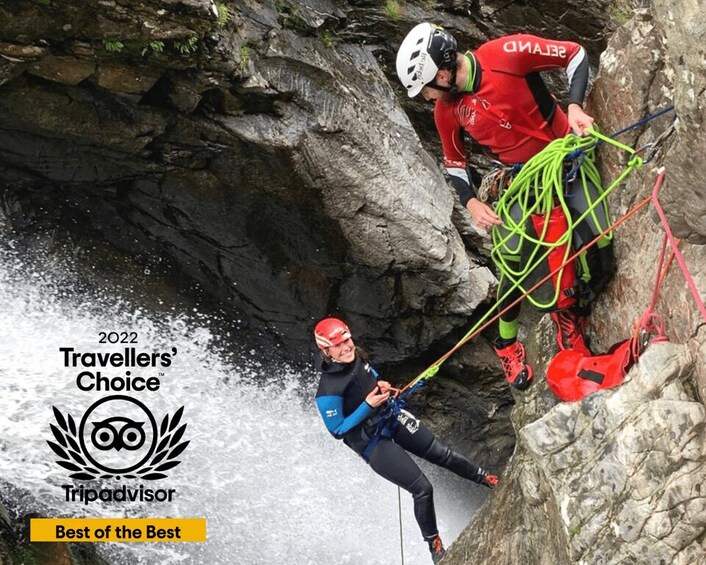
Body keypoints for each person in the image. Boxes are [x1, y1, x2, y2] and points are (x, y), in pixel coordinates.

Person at [395, 23, 614, 390]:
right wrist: (471, 202)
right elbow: (454, 162)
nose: (427, 98)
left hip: (564, 159)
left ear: (443, 73)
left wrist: (574, 106)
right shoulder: (447, 112)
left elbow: (574, 53)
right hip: (522, 183)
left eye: (427, 88)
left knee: (598, 243)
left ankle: (573, 308)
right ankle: (506, 342)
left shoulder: (506, 54)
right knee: (515, 263)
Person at [313, 317, 497, 564]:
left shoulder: (357, 356)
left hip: (390, 416)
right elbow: (337, 429)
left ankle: (487, 479)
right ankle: (435, 545)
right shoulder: (327, 391)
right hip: (372, 443)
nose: (346, 347)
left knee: (442, 453)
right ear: (325, 350)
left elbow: (369, 376)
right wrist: (367, 405)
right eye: (338, 346)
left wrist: (380, 386)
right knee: (422, 489)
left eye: (347, 340)